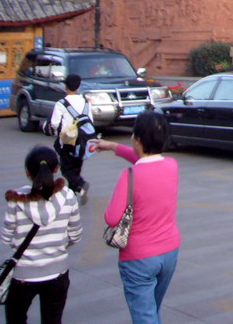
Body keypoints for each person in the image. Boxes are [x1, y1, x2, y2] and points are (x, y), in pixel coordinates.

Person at [97, 111, 180, 324]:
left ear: (139, 140)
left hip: (139, 258)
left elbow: (112, 218)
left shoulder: (129, 175)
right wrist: (112, 146)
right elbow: (145, 160)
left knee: (145, 316)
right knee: (151, 310)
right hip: (169, 252)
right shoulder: (172, 165)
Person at [2, 145, 82, 324]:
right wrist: (57, 246)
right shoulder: (68, 197)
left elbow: (7, 238)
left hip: (22, 277)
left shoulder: (16, 200)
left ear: (27, 172)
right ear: (56, 169)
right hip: (57, 274)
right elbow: (75, 235)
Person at [48, 73, 94, 203]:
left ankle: (81, 184)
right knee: (76, 167)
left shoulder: (61, 103)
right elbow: (90, 120)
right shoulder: (86, 102)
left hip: (67, 139)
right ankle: (74, 194)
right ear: (78, 86)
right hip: (82, 140)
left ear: (65, 86)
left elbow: (54, 123)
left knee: (66, 169)